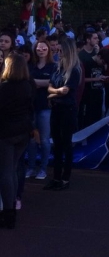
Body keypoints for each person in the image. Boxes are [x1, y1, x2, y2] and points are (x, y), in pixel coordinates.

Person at [0, 54, 34, 228]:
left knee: (6, 173)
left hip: (6, 134)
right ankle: (11, 207)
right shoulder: (28, 85)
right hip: (23, 132)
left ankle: (8, 214)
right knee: (12, 170)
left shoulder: (4, 88)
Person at [46, 38, 82, 191]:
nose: (58, 53)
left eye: (61, 50)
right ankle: (56, 177)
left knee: (66, 144)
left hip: (68, 110)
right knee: (57, 144)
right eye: (57, 50)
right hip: (56, 109)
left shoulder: (74, 70)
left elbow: (66, 91)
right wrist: (56, 92)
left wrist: (52, 93)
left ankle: (65, 179)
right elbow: (50, 88)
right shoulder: (57, 67)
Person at [26, 41, 58, 181]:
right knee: (32, 139)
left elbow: (52, 83)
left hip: (46, 107)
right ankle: (31, 167)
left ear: (48, 50)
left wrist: (35, 82)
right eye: (39, 48)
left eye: (44, 48)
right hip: (31, 107)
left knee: (44, 140)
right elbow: (26, 81)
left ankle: (43, 168)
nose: (41, 50)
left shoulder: (53, 66)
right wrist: (43, 83)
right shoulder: (30, 66)